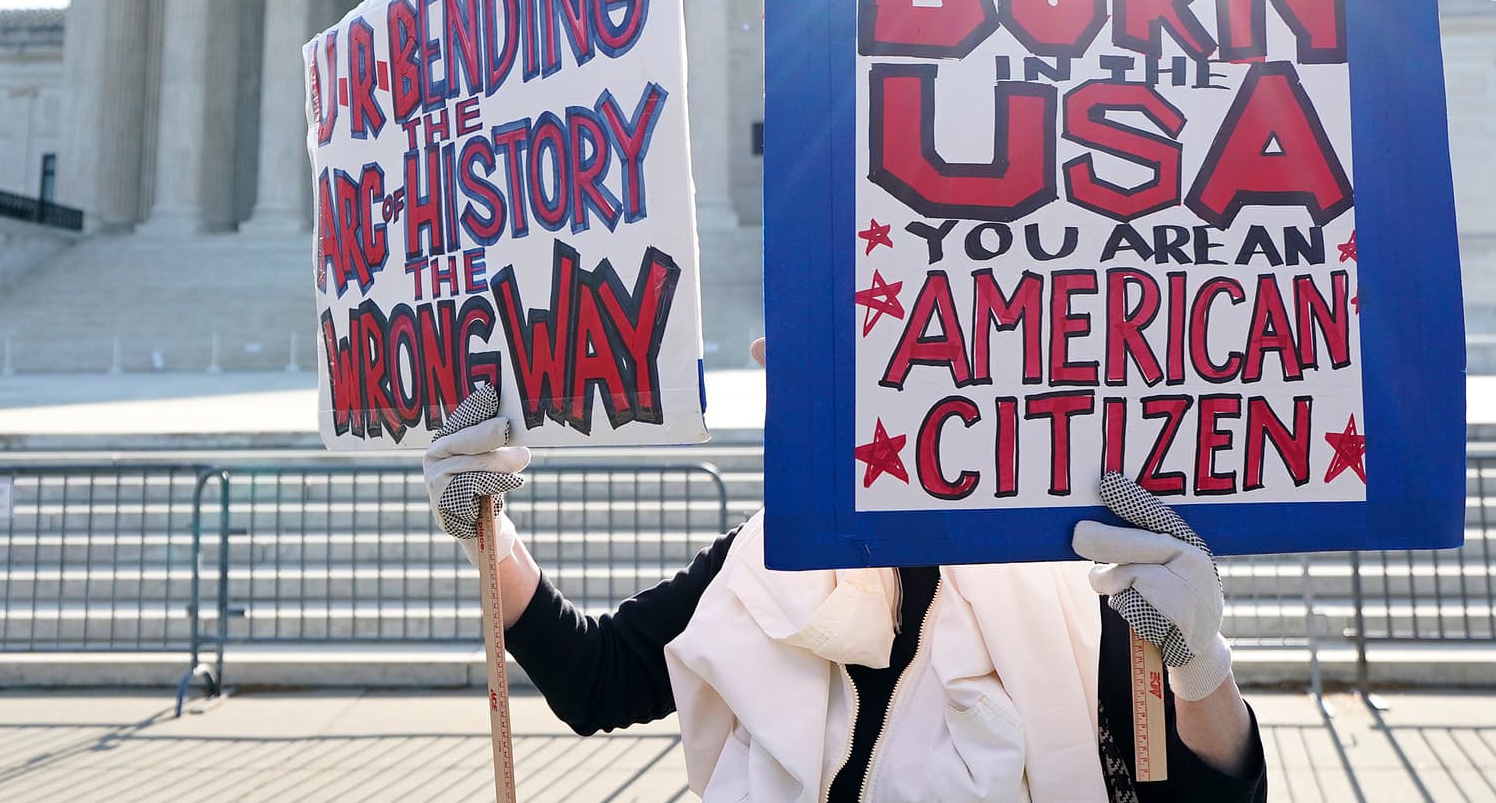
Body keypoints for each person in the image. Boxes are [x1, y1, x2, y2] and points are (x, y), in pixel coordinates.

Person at [423, 343, 1265, 802]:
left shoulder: (1073, 576)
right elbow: (600, 681)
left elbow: (1207, 798)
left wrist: (1200, 665)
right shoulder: (766, 553)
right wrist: (485, 535)